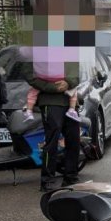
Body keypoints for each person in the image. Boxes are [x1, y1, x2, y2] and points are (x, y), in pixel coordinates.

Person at [26, 51, 81, 190]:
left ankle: (71, 177)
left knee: (73, 139)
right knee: (51, 141)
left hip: (69, 101)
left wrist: (68, 83)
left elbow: (76, 73)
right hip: (50, 101)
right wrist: (53, 87)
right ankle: (47, 180)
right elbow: (29, 76)